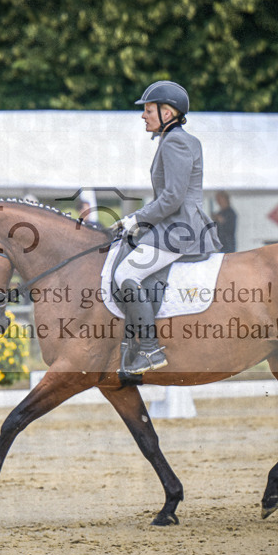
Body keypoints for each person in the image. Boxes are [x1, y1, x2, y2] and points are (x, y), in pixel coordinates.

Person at [112, 80, 221, 377]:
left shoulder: (176, 142)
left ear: (168, 112)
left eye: (148, 110)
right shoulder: (170, 140)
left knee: (125, 273)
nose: (143, 116)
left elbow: (172, 198)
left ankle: (149, 349)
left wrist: (136, 219)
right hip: (172, 224)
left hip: (181, 229)